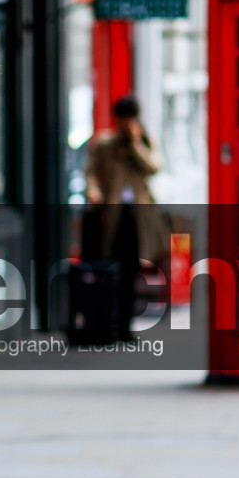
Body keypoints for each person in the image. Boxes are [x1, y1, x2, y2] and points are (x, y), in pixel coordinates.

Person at [81, 96, 161, 340]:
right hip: (111, 215)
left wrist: (136, 144)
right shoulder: (106, 145)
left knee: (131, 272)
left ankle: (126, 326)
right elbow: (91, 173)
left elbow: (154, 167)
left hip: (137, 217)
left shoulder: (144, 143)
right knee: (109, 270)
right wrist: (92, 190)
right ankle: (107, 323)